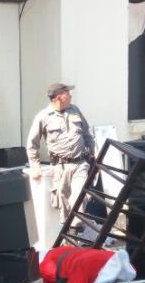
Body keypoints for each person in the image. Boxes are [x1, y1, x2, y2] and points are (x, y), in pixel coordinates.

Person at [27, 83, 96, 230]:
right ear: (58, 97)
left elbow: (86, 134)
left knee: (79, 196)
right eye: (67, 93)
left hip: (80, 164)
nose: (70, 95)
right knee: (63, 206)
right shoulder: (43, 117)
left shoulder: (75, 110)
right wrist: (35, 166)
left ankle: (76, 227)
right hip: (59, 168)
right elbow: (32, 144)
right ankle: (69, 235)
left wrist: (94, 152)